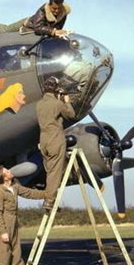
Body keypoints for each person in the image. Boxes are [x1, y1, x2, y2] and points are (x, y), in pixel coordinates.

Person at [0, 165, 45, 265]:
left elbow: (29, 193)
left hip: (13, 222)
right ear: (4, 177)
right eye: (7, 171)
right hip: (2, 224)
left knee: (17, 252)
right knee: (3, 253)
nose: (10, 171)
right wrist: (3, 232)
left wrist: (46, 194)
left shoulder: (15, 187)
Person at [36, 76, 76, 211]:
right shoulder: (58, 104)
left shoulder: (39, 104)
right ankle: (49, 202)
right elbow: (70, 115)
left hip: (44, 141)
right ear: (56, 89)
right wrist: (67, 102)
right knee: (55, 173)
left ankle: (50, 199)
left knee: (49, 172)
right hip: (55, 140)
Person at [0, 0, 72, 38]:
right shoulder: (43, 10)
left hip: (41, 30)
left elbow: (58, 27)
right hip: (27, 23)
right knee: (6, 30)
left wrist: (59, 33)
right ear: (50, 5)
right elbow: (38, 27)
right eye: (54, 8)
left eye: (59, 8)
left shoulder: (63, 13)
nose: (57, 11)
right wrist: (54, 32)